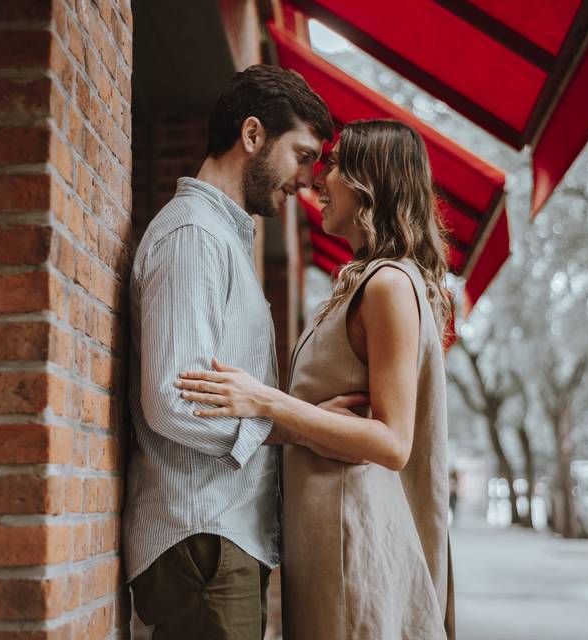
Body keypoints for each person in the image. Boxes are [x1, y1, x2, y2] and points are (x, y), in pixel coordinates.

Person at [178, 119, 457, 639]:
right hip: (326, 540)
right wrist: (295, 420)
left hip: (353, 540)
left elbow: (394, 443)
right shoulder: (367, 281)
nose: (317, 180)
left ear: (371, 181)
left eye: (333, 166)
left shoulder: (389, 285)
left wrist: (265, 402)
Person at [123, 64, 333, 639]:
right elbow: (169, 402)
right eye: (303, 155)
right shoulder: (194, 237)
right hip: (203, 538)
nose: (306, 183)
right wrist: (285, 425)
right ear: (252, 135)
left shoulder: (223, 240)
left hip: (219, 538)